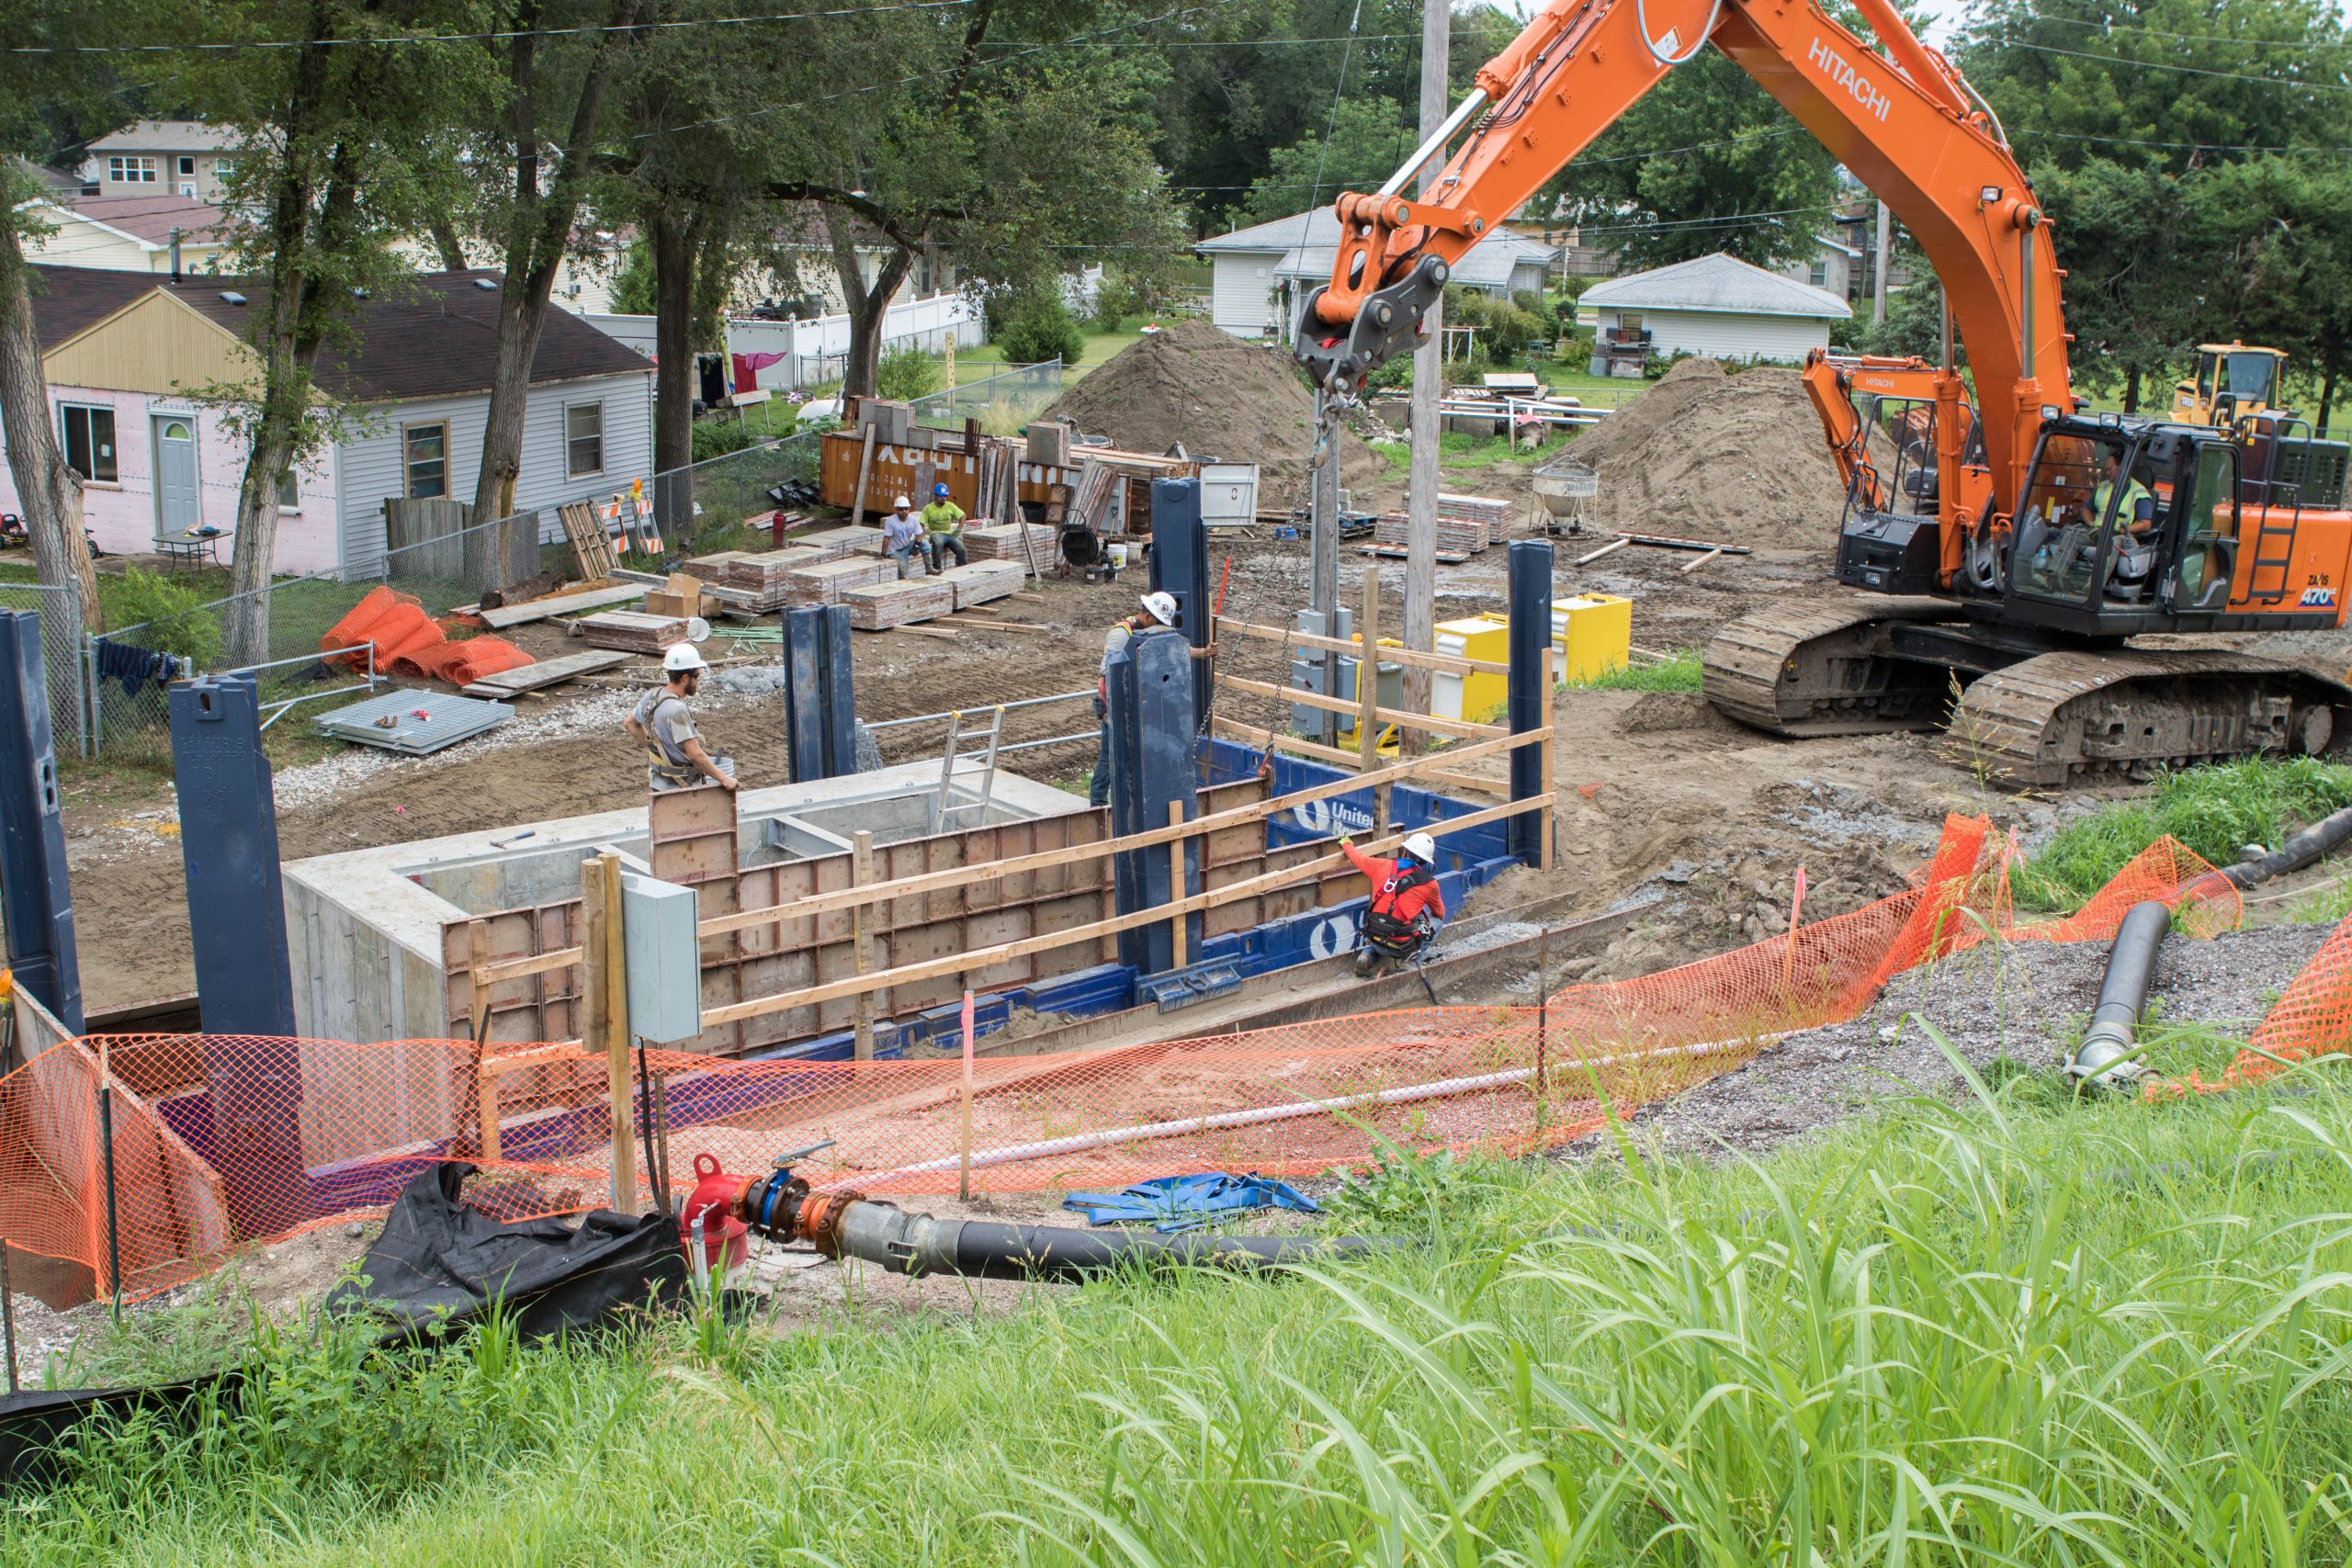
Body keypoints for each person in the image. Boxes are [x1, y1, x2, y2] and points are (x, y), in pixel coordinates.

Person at [1091, 590, 1179, 807]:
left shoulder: (1145, 634)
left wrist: (1203, 653)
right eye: (1157, 622)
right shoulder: (1122, 634)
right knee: (1110, 757)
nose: (1158, 627)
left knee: (1130, 756)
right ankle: (1098, 803)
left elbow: (1173, 651)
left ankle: (1127, 802)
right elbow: (1109, 672)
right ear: (1148, 616)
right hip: (1112, 705)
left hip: (1129, 704)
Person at [625, 644, 738, 793]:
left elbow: (629, 724)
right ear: (686, 678)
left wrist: (656, 748)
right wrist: (724, 779)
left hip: (658, 782)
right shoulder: (677, 711)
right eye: (697, 676)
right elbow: (695, 754)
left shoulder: (652, 696)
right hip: (682, 788)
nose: (698, 681)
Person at [1339, 830, 1446, 978]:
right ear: (1426, 860)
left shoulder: (1381, 865)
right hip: (1402, 947)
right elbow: (1440, 913)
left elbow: (1357, 857)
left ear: (1405, 851)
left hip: (1376, 936)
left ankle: (1366, 956)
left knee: (1385, 928)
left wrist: (1346, 843)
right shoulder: (1430, 883)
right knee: (1437, 922)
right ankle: (1411, 963)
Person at [920, 481, 968, 571]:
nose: (943, 498)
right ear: (935, 495)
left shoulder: (950, 506)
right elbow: (921, 523)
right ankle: (936, 568)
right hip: (936, 533)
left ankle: (962, 569)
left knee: (962, 550)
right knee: (938, 544)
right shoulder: (928, 508)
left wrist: (958, 530)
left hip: (949, 534)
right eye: (941, 496)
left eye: (945, 496)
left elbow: (963, 516)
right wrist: (921, 535)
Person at [881, 495, 926, 576]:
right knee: (903, 572)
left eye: (906, 509)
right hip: (895, 551)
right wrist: (883, 553)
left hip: (906, 547)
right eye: (901, 509)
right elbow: (887, 538)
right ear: (896, 509)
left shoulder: (913, 520)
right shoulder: (890, 521)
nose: (904, 511)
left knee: (925, 544)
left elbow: (919, 534)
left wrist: (916, 547)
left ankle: (929, 568)